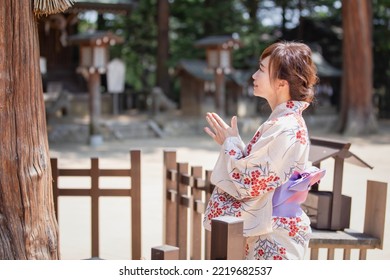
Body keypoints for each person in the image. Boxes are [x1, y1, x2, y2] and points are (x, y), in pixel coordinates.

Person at [203, 41, 326, 260]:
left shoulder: (285, 126)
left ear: (281, 82)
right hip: (271, 227)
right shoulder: (284, 122)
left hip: (275, 234)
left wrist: (230, 146)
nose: (253, 75)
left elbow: (252, 181)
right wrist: (233, 144)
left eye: (261, 69)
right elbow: (264, 171)